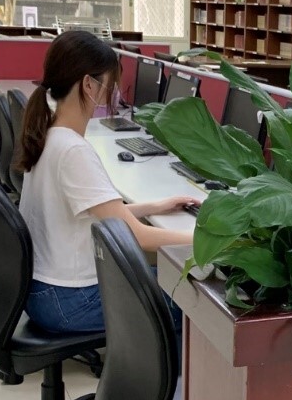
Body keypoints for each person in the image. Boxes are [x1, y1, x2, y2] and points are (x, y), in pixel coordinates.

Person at [16, 31, 195, 334]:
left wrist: (155, 206)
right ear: (88, 84)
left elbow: (89, 211)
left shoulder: (49, 133)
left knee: (165, 278)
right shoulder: (73, 150)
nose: (113, 94)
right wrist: (208, 243)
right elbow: (136, 237)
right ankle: (171, 380)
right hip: (68, 300)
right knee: (190, 299)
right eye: (110, 85)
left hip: (43, 289)